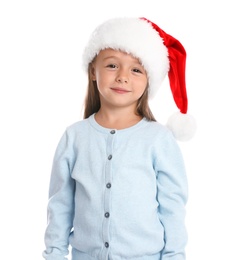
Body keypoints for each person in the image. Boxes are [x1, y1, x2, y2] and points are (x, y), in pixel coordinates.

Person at [42, 17, 196, 260]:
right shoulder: (74, 137)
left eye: (136, 69)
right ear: (93, 70)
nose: (123, 76)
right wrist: (54, 254)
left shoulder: (158, 139)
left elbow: (172, 206)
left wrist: (175, 255)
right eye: (112, 65)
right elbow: (60, 204)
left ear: (148, 81)